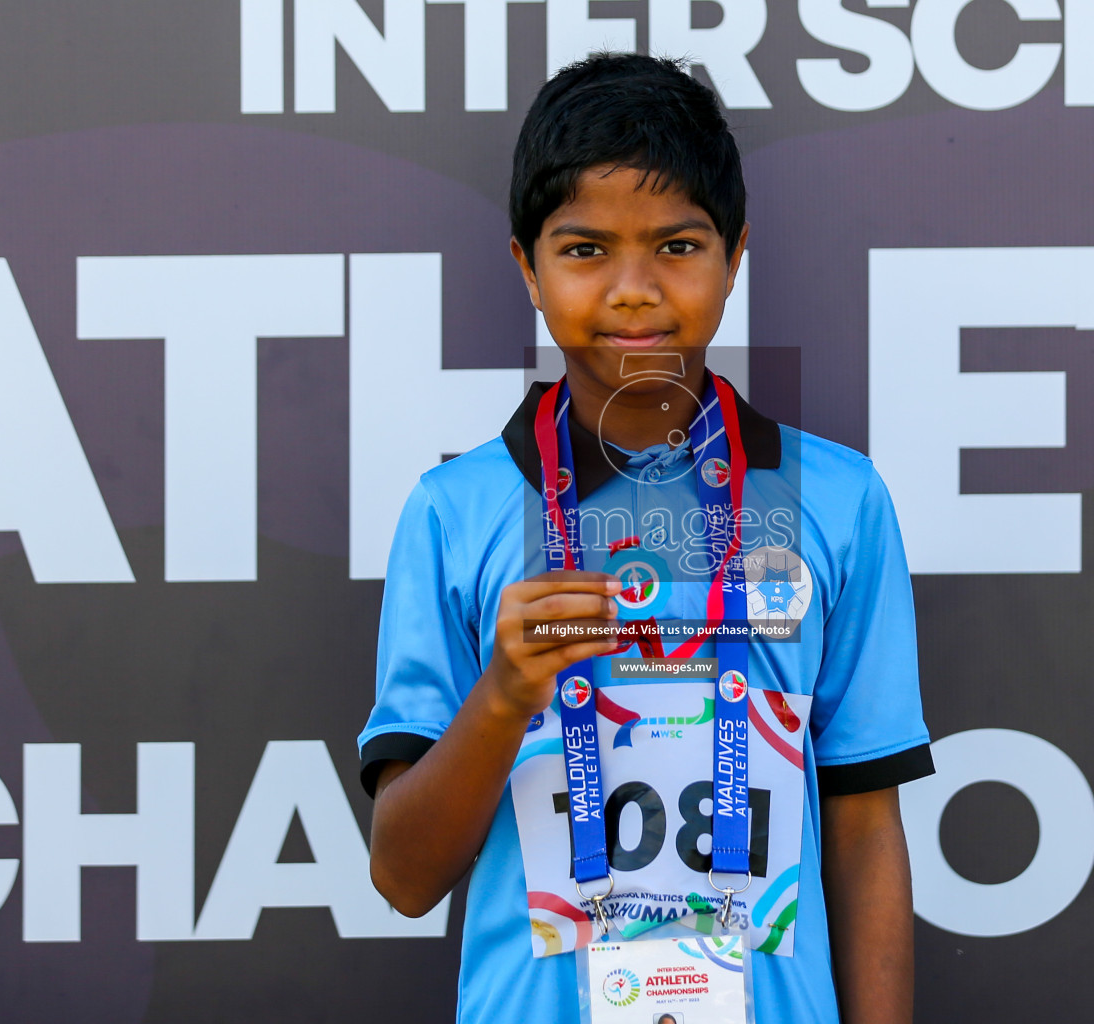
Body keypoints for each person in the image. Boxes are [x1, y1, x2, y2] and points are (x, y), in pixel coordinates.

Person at [361, 53, 932, 1024]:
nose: (633, 289)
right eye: (584, 249)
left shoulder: (837, 500)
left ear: (735, 256)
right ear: (525, 267)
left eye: (677, 245)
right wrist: (504, 698)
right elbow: (405, 877)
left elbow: (864, 824)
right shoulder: (456, 510)